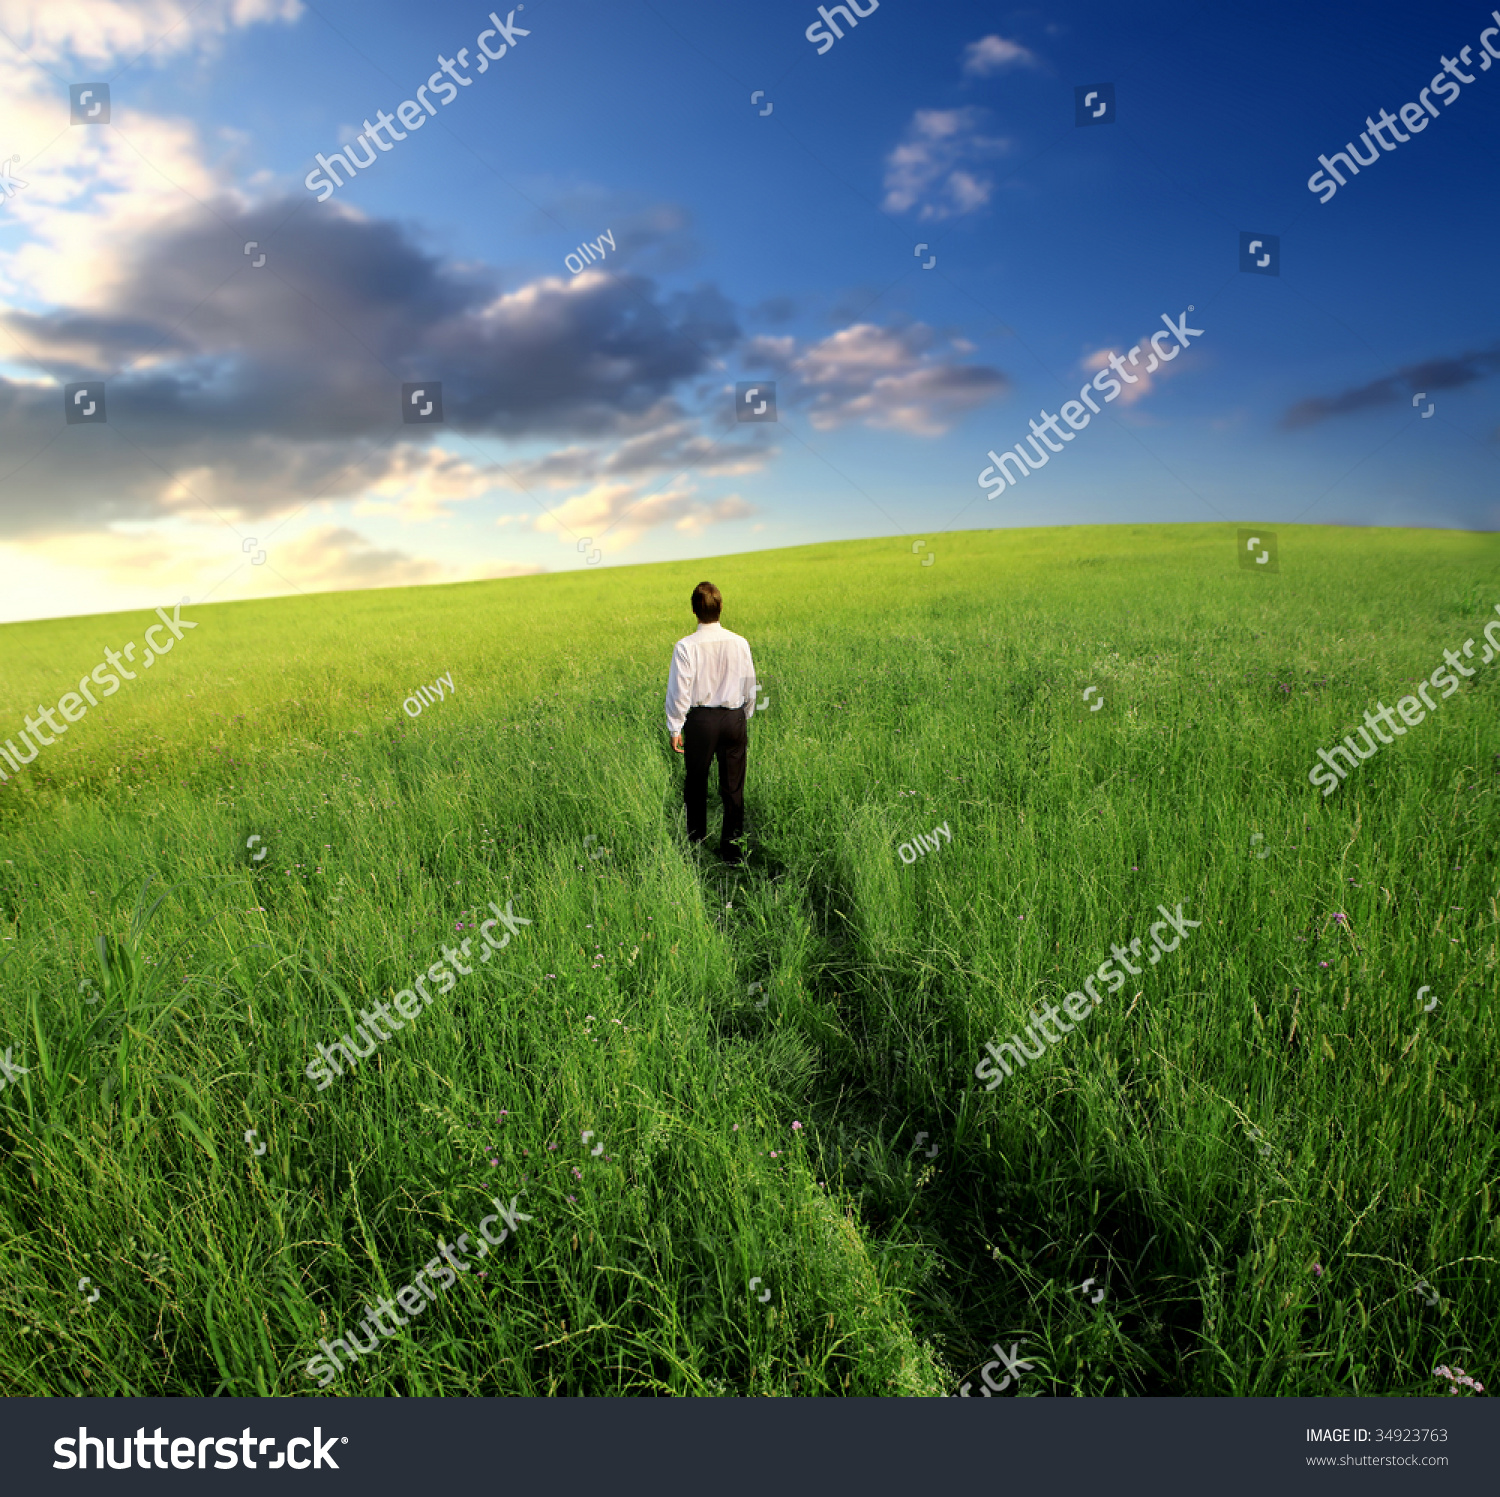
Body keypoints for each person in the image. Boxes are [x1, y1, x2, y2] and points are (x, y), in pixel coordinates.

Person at [664, 581, 756, 863]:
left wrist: (675, 726)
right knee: (733, 786)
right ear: (721, 607)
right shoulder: (739, 642)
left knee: (696, 782)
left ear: (694, 610)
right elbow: (750, 684)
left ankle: (696, 844)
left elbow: (680, 689)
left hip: (701, 721)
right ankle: (732, 851)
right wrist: (744, 715)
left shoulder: (685, 647)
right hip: (733, 717)